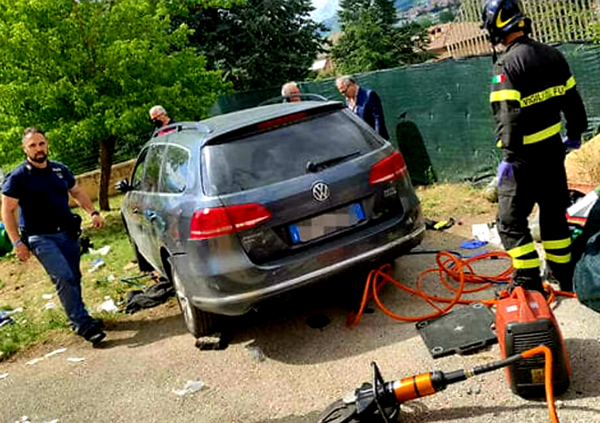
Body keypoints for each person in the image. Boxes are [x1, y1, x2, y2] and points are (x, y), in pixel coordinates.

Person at [482, 0, 588, 293]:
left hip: (521, 160)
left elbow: (508, 118)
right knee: (554, 217)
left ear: (495, 28)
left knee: (509, 222)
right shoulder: (553, 55)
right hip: (554, 154)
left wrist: (508, 159)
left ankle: (528, 281)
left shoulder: (506, 66)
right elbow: (574, 104)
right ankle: (562, 276)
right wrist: (575, 134)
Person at [1, 128, 107, 344]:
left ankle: (79, 317)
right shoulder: (18, 177)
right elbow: (7, 210)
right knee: (63, 277)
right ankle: (84, 325)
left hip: (67, 233)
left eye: (41, 144)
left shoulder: (60, 170)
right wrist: (16, 242)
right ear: (25, 149)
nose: (38, 149)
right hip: (40, 238)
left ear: (46, 144)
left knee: (74, 277)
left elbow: (76, 191)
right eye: (32, 145)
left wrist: (93, 212)